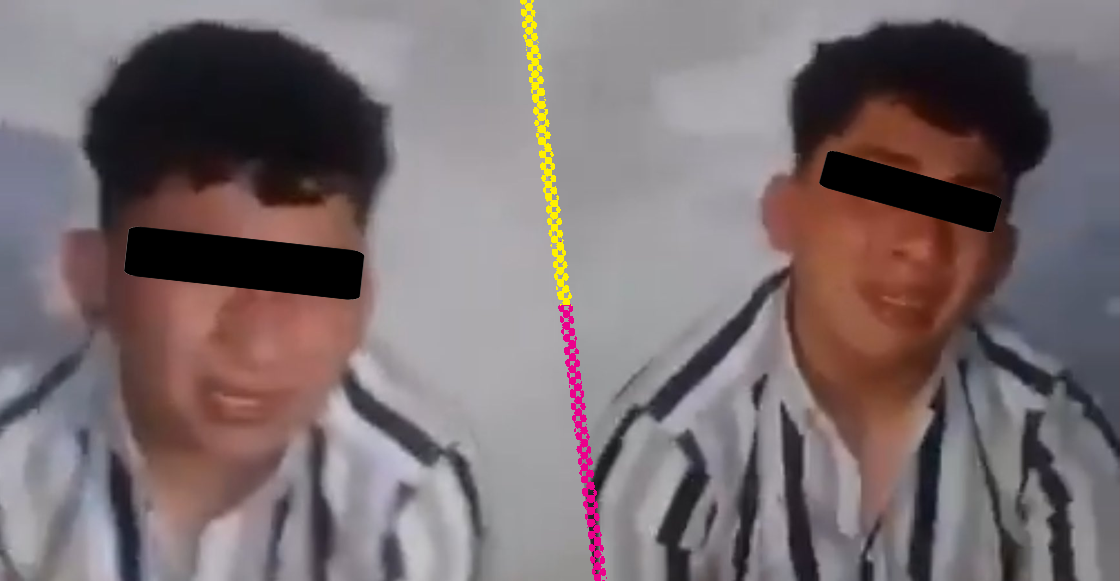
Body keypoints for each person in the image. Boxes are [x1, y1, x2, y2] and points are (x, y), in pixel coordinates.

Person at [593, 19, 1118, 581]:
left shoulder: (1052, 436)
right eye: (881, 190)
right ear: (784, 213)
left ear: (1000, 258)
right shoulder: (670, 451)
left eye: (967, 208)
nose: (923, 245)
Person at [0, 22, 483, 581]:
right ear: (92, 274)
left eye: (312, 278)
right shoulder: (14, 466)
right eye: (202, 270)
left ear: (364, 296)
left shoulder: (404, 493)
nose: (259, 344)